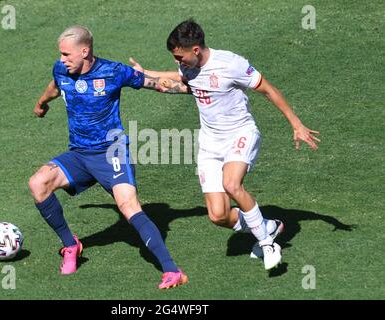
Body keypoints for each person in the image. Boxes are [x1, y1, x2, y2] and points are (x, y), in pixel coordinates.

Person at [130, 19, 320, 270]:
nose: (178, 62)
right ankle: (269, 227)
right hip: (210, 144)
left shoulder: (231, 64)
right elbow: (179, 81)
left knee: (232, 184)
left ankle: (266, 243)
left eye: (180, 56)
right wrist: (145, 75)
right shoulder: (187, 67)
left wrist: (296, 123)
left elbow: (268, 90)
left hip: (240, 134)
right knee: (218, 215)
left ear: (195, 50)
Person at [28, 25, 187, 289]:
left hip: (111, 152)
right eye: (61, 54)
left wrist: (190, 90)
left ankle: (172, 271)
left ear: (85, 51)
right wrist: (41, 103)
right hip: (79, 154)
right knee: (38, 183)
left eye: (67, 54)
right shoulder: (61, 69)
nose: (62, 59)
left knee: (128, 205)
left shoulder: (113, 72)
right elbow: (55, 87)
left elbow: (155, 84)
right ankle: (71, 245)